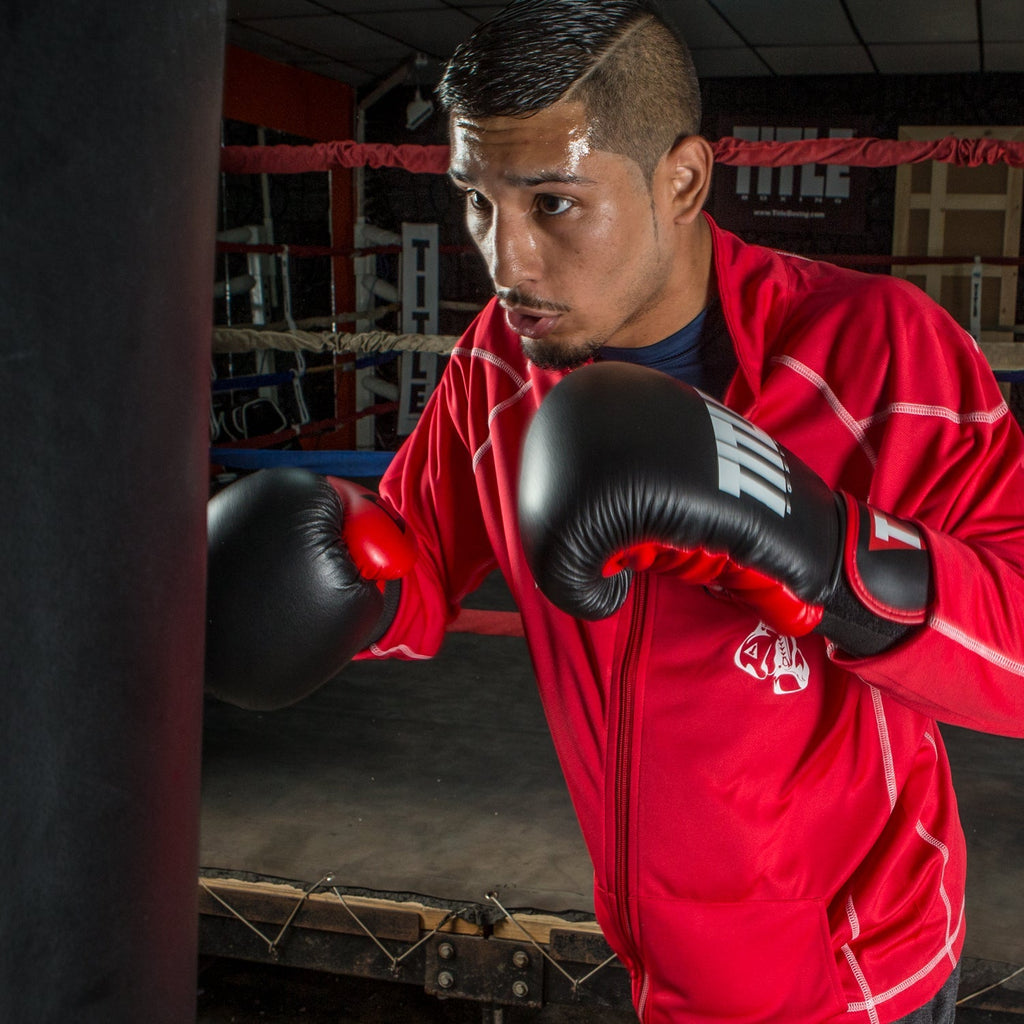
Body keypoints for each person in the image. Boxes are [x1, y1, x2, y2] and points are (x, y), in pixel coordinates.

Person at [205, 2, 1024, 1020]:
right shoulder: (502, 364)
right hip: (665, 967)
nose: (504, 263)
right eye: (476, 201)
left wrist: (829, 552)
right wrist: (323, 575)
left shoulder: (883, 353)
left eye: (552, 203)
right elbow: (412, 554)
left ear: (679, 181)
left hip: (866, 971)